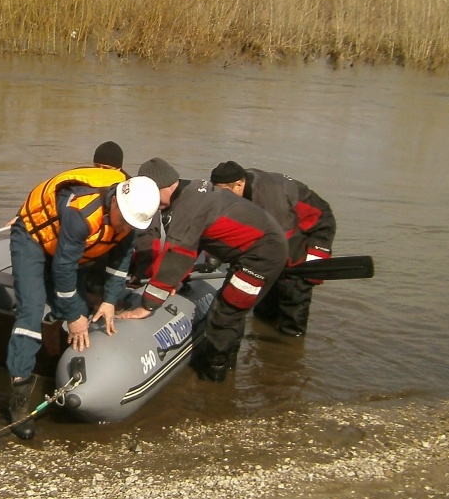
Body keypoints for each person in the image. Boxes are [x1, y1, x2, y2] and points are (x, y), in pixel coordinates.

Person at [6, 150, 161, 440]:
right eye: (124, 221)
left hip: (68, 244)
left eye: (131, 226)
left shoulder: (128, 215)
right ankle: (18, 397)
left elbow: (121, 262)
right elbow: (63, 268)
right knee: (31, 310)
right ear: (115, 201)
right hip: (34, 237)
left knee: (79, 293)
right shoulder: (82, 214)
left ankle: (63, 334)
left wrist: (110, 300)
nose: (125, 228)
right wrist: (75, 315)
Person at [119, 157, 288, 383]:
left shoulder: (187, 207)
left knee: (225, 313)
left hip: (260, 257)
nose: (151, 202)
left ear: (168, 185)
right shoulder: (190, 191)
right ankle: (228, 367)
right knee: (231, 311)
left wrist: (148, 305)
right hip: (255, 249)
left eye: (153, 194)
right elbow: (190, 244)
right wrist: (176, 281)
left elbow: (177, 254)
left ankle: (215, 376)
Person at [209, 161, 336, 336]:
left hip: (310, 227)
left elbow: (281, 239)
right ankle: (264, 333)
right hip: (283, 225)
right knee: (265, 291)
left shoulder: (268, 197)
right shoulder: (233, 189)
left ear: (239, 185)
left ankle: (292, 338)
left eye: (223, 192)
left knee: (293, 285)